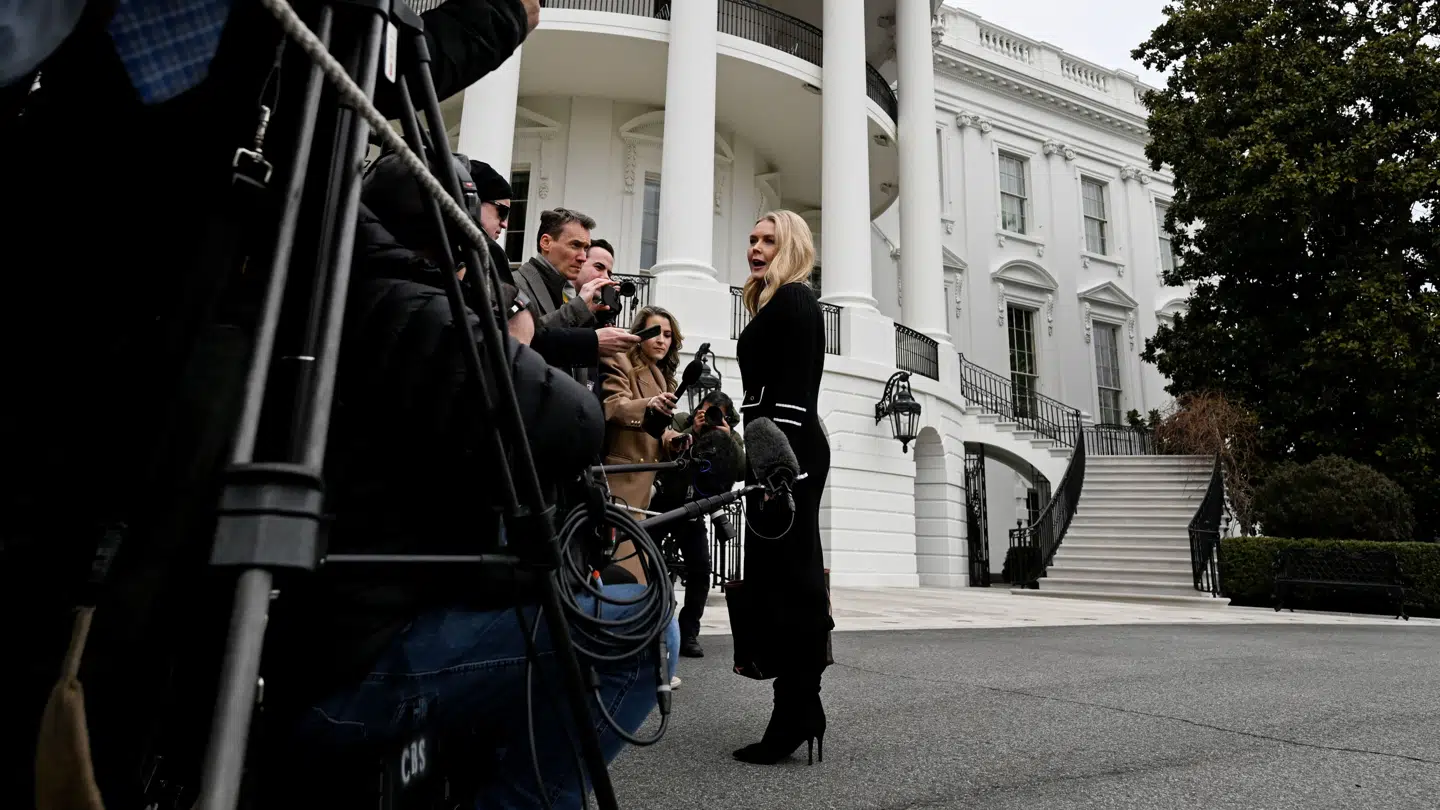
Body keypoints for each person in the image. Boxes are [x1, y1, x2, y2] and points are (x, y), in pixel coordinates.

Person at [732, 210, 833, 765]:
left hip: (785, 455)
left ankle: (796, 710)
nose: (756, 247)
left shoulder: (794, 299)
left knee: (791, 580)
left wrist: (774, 471)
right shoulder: (775, 302)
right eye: (751, 238)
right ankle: (798, 707)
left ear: (790, 245)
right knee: (781, 577)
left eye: (768, 240)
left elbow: (792, 396)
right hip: (776, 452)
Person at [598, 306, 689, 584]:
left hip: (643, 492)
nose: (662, 340)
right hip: (620, 483)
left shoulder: (662, 377)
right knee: (623, 576)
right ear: (638, 334)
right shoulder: (619, 360)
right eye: (654, 333)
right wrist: (649, 405)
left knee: (637, 576)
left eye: (668, 335)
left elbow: (658, 430)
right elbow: (614, 407)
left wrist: (675, 441)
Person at [655, 391, 745, 658]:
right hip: (664, 502)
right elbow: (662, 447)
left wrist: (726, 438)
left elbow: (741, 471)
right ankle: (651, 624)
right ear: (698, 409)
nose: (711, 418)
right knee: (649, 563)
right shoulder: (682, 420)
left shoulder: (731, 436)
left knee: (701, 571)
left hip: (696, 509)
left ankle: (688, 633)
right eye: (708, 411)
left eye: (718, 413)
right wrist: (690, 430)